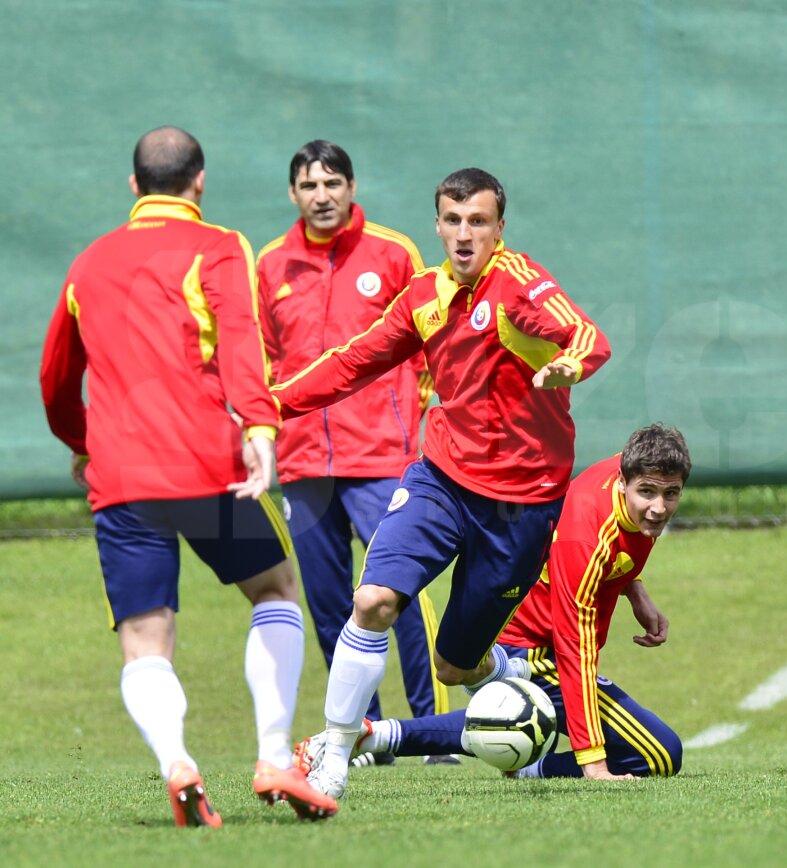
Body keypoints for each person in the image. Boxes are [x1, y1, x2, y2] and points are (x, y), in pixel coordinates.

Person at [271, 167, 611, 798]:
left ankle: (500, 679)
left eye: (478, 222)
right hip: (442, 480)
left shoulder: (520, 284)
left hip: (522, 506)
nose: (464, 235)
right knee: (372, 600)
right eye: (452, 221)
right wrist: (268, 404)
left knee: (456, 665)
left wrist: (569, 364)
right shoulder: (424, 295)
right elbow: (351, 363)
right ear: (437, 225)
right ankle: (335, 754)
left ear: (499, 229)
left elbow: (590, 337)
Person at [39, 126, 338, 827]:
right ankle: (271, 757)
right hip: (208, 465)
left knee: (146, 638)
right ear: (199, 180)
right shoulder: (218, 245)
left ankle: (177, 761)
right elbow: (240, 342)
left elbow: (56, 382)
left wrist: (85, 444)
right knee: (275, 590)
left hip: (123, 474)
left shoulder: (88, 262)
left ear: (134, 185)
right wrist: (261, 428)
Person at [295, 424, 690, 781]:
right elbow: (576, 649)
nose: (659, 506)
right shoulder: (586, 537)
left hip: (536, 641)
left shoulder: (628, 478)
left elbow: (619, 547)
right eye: (648, 493)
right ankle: (523, 729)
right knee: (659, 754)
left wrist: (632, 587)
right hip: (537, 649)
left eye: (671, 494)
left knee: (521, 722)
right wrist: (594, 767)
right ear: (622, 480)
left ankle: (371, 735)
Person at [256, 140, 453, 764]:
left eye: (333, 183)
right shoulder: (269, 265)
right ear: (293, 194)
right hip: (304, 463)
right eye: (310, 186)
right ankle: (362, 732)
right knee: (326, 600)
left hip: (381, 457)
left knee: (404, 592)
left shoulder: (394, 254)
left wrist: (415, 418)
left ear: (351, 187)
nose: (322, 196)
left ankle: (432, 732)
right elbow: (260, 360)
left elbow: (429, 345)